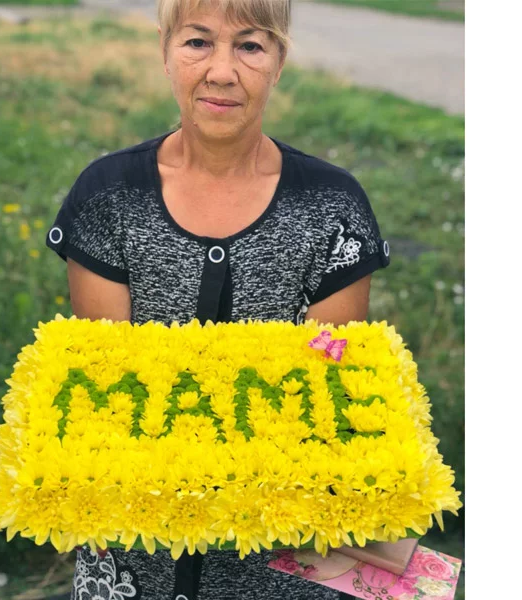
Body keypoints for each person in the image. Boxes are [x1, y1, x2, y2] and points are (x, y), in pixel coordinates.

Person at [46, 0, 390, 598]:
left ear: (279, 60)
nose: (222, 71)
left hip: (280, 564)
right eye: (198, 42)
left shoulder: (331, 206)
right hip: (137, 560)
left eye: (251, 46)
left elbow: (327, 403)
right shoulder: (108, 195)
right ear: (165, 52)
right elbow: (103, 393)